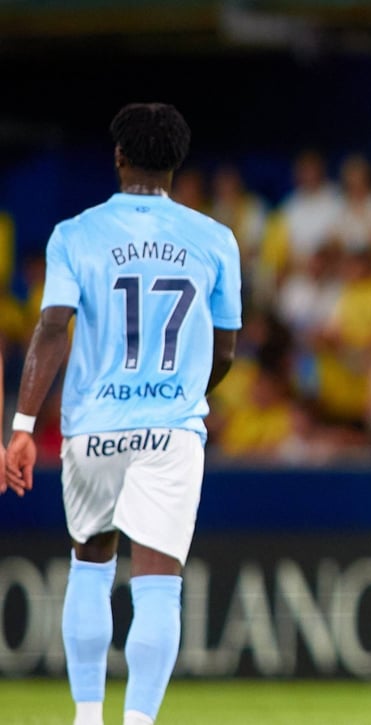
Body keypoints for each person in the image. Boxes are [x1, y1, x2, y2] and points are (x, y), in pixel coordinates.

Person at [2, 103, 241, 725]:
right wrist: (185, 391)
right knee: (158, 581)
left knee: (90, 562)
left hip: (95, 428)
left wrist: (23, 427)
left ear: (118, 157)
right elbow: (227, 349)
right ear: (176, 165)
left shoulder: (74, 234)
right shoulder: (215, 239)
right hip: (171, 429)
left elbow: (53, 327)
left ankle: (87, 717)